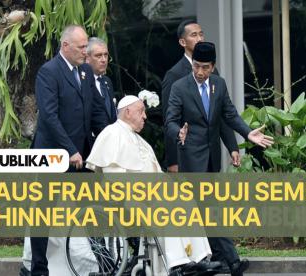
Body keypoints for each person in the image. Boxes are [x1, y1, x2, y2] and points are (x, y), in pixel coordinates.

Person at [165, 42, 274, 276]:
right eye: (196, 66)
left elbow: (229, 115)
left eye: (205, 67)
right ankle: (233, 261)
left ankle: (217, 259)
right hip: (192, 158)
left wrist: (246, 133)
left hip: (212, 157)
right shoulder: (179, 87)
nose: (200, 72)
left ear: (213, 67)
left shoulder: (219, 85)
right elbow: (170, 120)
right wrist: (178, 133)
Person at [86, 95, 222, 275]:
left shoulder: (138, 139)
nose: (145, 117)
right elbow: (113, 180)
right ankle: (176, 262)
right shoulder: (111, 134)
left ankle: (197, 258)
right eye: (141, 111)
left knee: (185, 199)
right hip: (128, 198)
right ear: (127, 112)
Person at [26, 24, 109, 276]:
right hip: (53, 152)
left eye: (86, 46)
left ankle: (104, 263)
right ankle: (38, 268)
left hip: (81, 154)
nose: (86, 52)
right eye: (82, 47)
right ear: (65, 46)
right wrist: (70, 150)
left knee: (91, 209)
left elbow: (94, 113)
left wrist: (110, 141)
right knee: (44, 212)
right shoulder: (48, 72)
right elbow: (49, 117)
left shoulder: (84, 71)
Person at [162, 19, 240, 173]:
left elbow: (221, 114)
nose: (199, 38)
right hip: (188, 158)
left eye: (201, 34)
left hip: (212, 156)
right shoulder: (174, 75)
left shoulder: (213, 73)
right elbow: (169, 120)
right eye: (194, 35)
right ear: (183, 42)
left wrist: (232, 147)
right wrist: (173, 161)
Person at [86, 37, 117, 125]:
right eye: (98, 56)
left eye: (106, 55)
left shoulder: (107, 81)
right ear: (87, 58)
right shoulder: (83, 82)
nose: (103, 60)